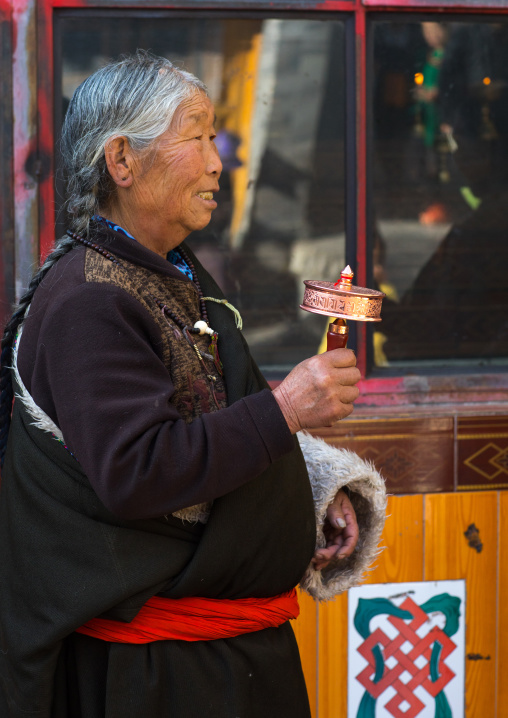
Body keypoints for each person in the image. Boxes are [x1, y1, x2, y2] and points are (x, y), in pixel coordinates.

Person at [0, 52, 386, 718]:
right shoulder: (90, 299)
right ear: (122, 161)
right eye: (197, 135)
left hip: (213, 661)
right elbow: (137, 471)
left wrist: (311, 492)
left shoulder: (168, 273)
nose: (217, 162)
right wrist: (290, 407)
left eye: (216, 138)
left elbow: (210, 413)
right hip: (150, 679)